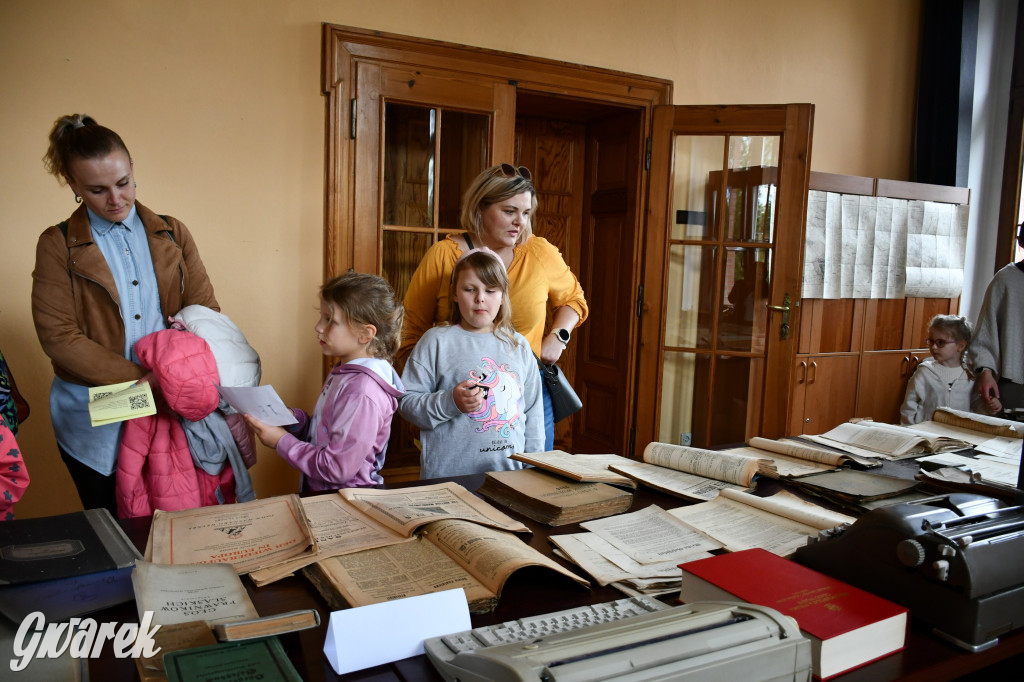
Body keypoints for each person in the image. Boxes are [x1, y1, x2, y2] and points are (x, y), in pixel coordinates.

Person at [32, 114, 218, 516]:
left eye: (122, 183)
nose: (115, 199)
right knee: (116, 532)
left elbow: (205, 314)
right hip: (98, 415)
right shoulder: (56, 245)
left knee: (174, 524)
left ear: (133, 169)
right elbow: (59, 337)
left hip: (170, 405)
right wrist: (144, 382)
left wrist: (174, 376)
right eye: (97, 190)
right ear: (72, 185)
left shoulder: (173, 232)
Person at [398, 164, 588, 450]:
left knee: (530, 479)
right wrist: (431, 398)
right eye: (509, 211)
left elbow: (574, 298)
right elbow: (409, 330)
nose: (520, 222)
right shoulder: (444, 256)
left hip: (527, 391)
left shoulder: (539, 252)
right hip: (459, 396)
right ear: (480, 208)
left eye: (525, 213)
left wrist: (558, 336)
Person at [245, 273, 405, 491]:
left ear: (365, 334)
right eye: (322, 317)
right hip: (328, 500)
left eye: (330, 320)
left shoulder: (362, 392)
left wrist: (281, 441)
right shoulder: (345, 372)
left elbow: (338, 468)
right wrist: (293, 421)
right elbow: (328, 433)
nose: (318, 327)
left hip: (348, 506)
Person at [400, 249, 544, 479]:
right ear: (455, 293)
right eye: (470, 289)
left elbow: (534, 413)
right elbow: (406, 403)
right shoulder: (436, 341)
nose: (480, 298)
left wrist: (534, 468)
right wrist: (451, 402)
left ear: (503, 295)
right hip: (447, 479)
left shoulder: (520, 345)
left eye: (490, 290)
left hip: (511, 479)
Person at [968, 221, 1024, 417]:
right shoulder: (1006, 280)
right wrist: (985, 372)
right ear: (1021, 243)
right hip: (1012, 382)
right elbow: (985, 333)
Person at [900, 315, 983, 425]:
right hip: (927, 434)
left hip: (959, 435)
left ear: (961, 346)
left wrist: (992, 407)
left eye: (940, 343)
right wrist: (909, 431)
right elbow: (908, 407)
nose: (933, 347)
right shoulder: (924, 372)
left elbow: (977, 409)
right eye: (931, 341)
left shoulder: (970, 376)